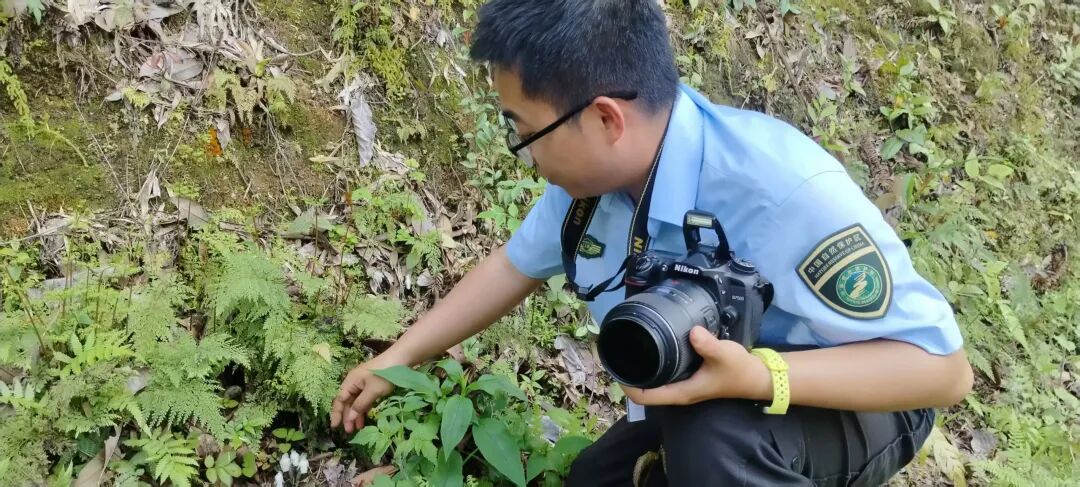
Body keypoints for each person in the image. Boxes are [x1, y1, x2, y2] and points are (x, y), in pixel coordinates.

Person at [331, 0, 975, 485]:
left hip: (861, 394)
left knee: (713, 446)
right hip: (717, 392)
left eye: (523, 131)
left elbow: (943, 373)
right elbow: (513, 267)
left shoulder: (781, 191)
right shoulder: (593, 187)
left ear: (604, 117)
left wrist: (759, 376)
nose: (522, 152)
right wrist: (396, 360)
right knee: (595, 478)